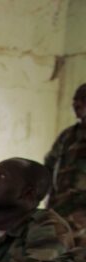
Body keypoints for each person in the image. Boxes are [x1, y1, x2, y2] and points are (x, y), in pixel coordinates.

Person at [44, 82, 86, 235]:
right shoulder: (68, 136)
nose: (77, 104)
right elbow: (48, 168)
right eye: (75, 99)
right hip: (60, 212)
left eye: (83, 99)